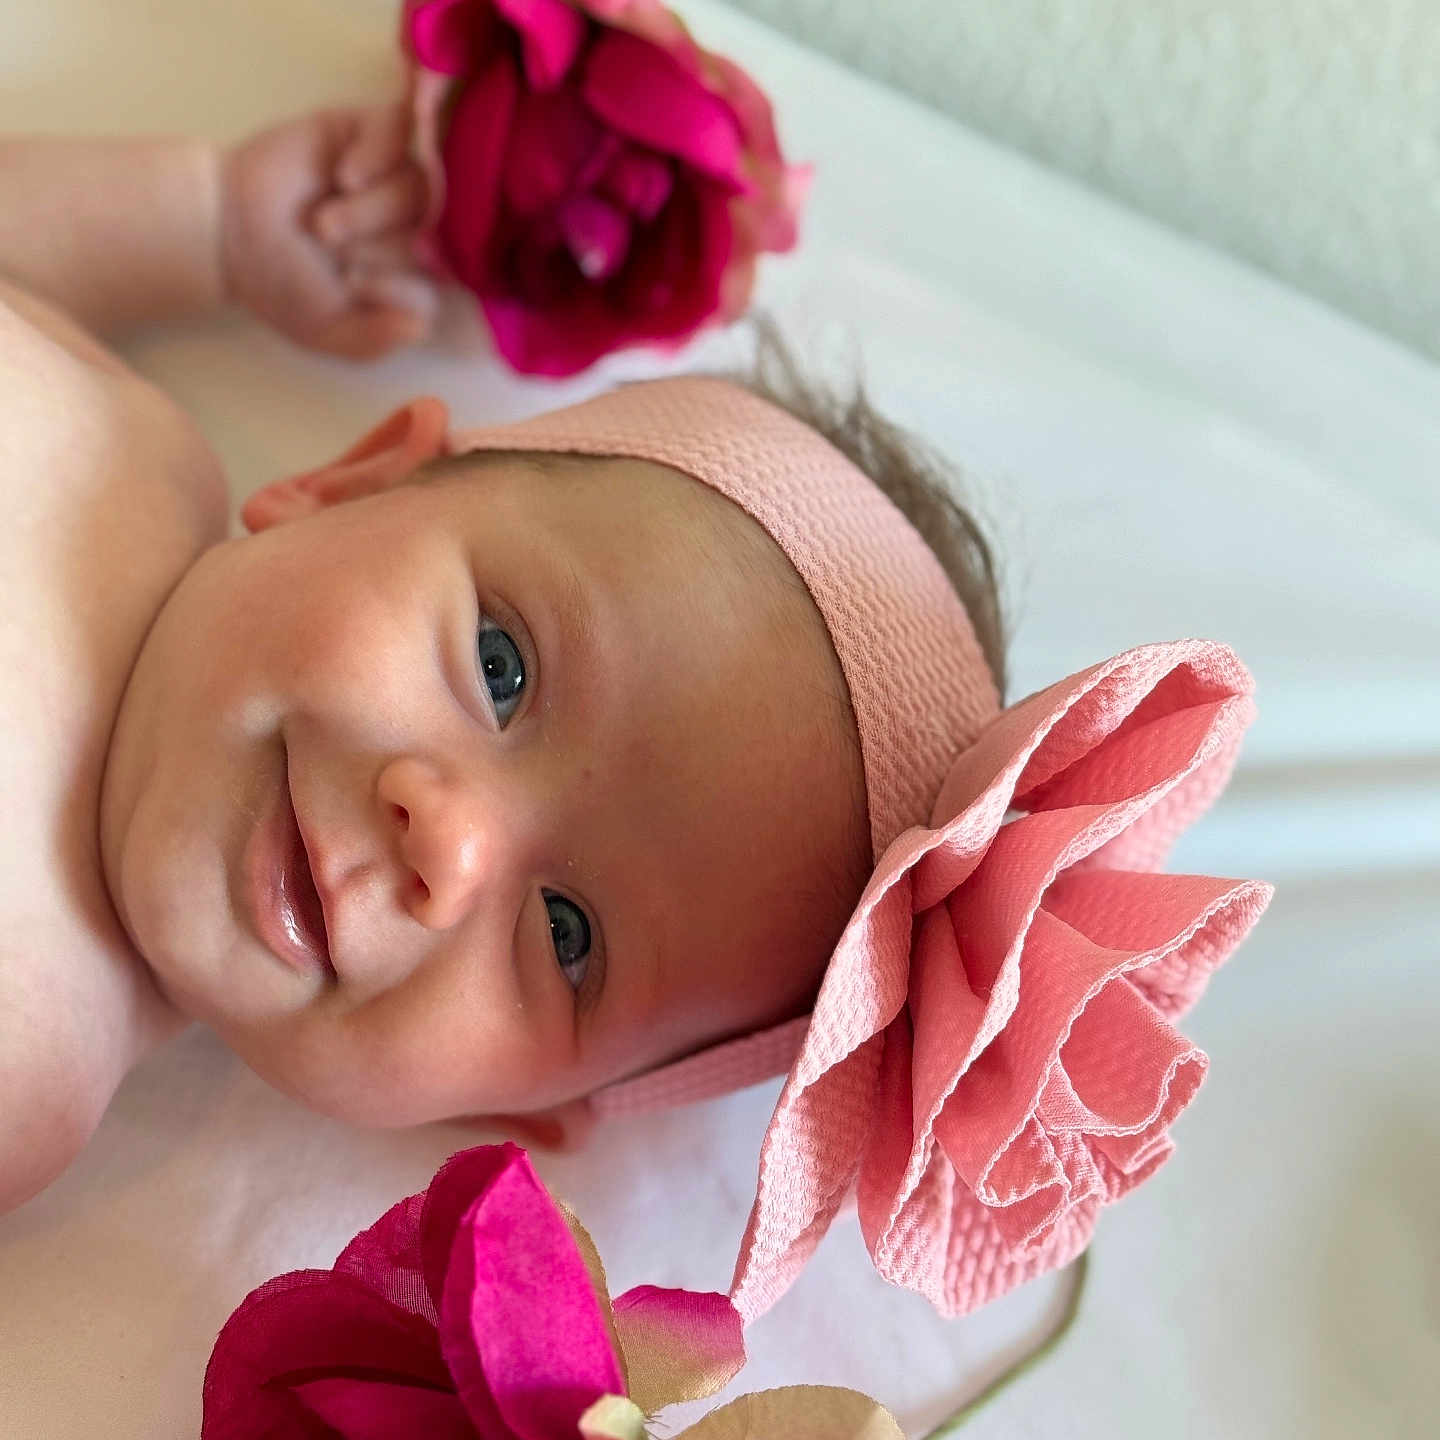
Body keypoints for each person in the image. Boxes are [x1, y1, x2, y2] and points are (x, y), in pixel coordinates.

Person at [0, 101, 1007, 1212]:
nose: (450, 840)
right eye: (499, 668)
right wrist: (212, 225)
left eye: (566, 939)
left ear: (497, 1117)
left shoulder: (32, 1062)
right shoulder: (134, 443)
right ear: (356, 481)